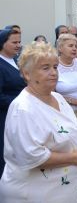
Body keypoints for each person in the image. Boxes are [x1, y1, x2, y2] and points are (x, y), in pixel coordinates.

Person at [0, 42, 77, 202]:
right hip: (34, 194)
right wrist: (74, 158)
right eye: (45, 68)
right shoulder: (23, 108)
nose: (53, 73)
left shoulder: (58, 97)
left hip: (65, 190)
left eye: (55, 67)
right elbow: (32, 156)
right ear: (27, 74)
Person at [0, 29, 26, 176]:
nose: (18, 45)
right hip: (5, 117)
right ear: (3, 44)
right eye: (14, 42)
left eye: (19, 42)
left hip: (18, 115)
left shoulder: (16, 61)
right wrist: (21, 102)